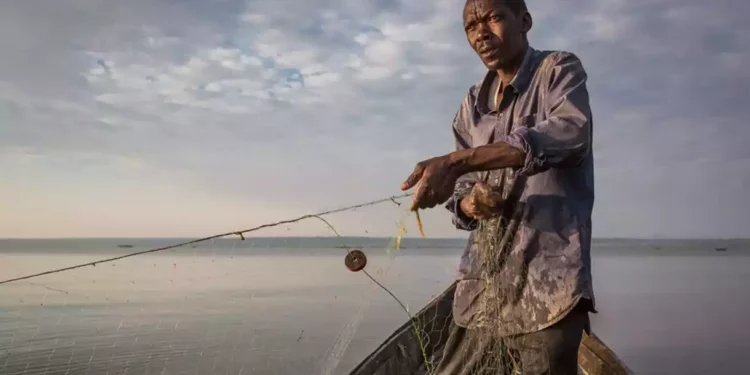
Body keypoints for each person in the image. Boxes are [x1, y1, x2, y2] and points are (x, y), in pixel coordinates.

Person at [399, 0, 596, 374]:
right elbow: (461, 199)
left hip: (548, 286)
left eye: (493, 18)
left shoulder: (557, 70)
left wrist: (459, 161)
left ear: (524, 21)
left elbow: (571, 134)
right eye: (471, 26)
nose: (481, 33)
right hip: (484, 290)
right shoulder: (471, 105)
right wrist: (472, 204)